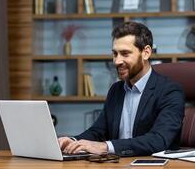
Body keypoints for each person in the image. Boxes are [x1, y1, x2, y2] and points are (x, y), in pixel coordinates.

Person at [59, 21, 185, 157]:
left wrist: (106, 147)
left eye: (125, 54)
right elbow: (98, 131)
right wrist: (73, 141)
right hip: (116, 167)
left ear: (146, 53)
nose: (117, 61)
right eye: (115, 54)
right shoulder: (116, 90)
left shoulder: (170, 91)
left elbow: (158, 140)